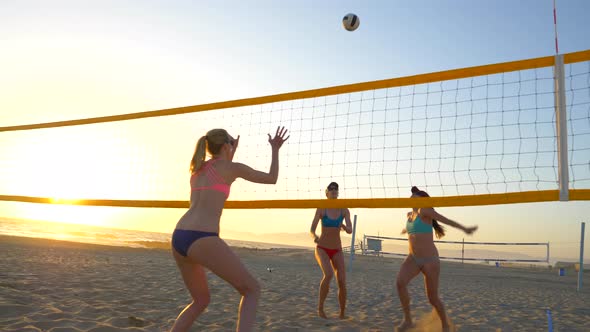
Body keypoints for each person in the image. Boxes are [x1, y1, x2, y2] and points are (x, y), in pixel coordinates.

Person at [171, 127, 289, 332]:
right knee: (252, 290)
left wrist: (230, 149)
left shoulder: (198, 168)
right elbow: (272, 178)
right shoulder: (230, 168)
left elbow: (221, 167)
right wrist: (275, 149)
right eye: (232, 142)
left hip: (179, 236)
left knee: (200, 300)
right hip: (202, 237)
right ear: (226, 146)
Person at [395, 186, 478, 332]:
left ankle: (445, 325)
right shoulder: (409, 214)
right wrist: (404, 230)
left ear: (422, 199)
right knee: (400, 283)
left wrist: (464, 229)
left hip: (430, 260)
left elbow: (446, 220)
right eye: (411, 195)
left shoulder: (425, 211)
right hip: (413, 258)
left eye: (415, 195)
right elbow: (412, 230)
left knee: (432, 298)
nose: (411, 196)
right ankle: (408, 320)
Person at [309, 181, 353, 319]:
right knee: (328, 274)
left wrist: (345, 227)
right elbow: (311, 230)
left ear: (338, 192)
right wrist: (314, 236)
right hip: (322, 247)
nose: (334, 190)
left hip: (337, 249)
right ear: (326, 192)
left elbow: (350, 230)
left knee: (342, 281)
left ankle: (342, 313)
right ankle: (320, 309)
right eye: (331, 189)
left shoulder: (344, 209)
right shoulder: (322, 208)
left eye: (336, 189)